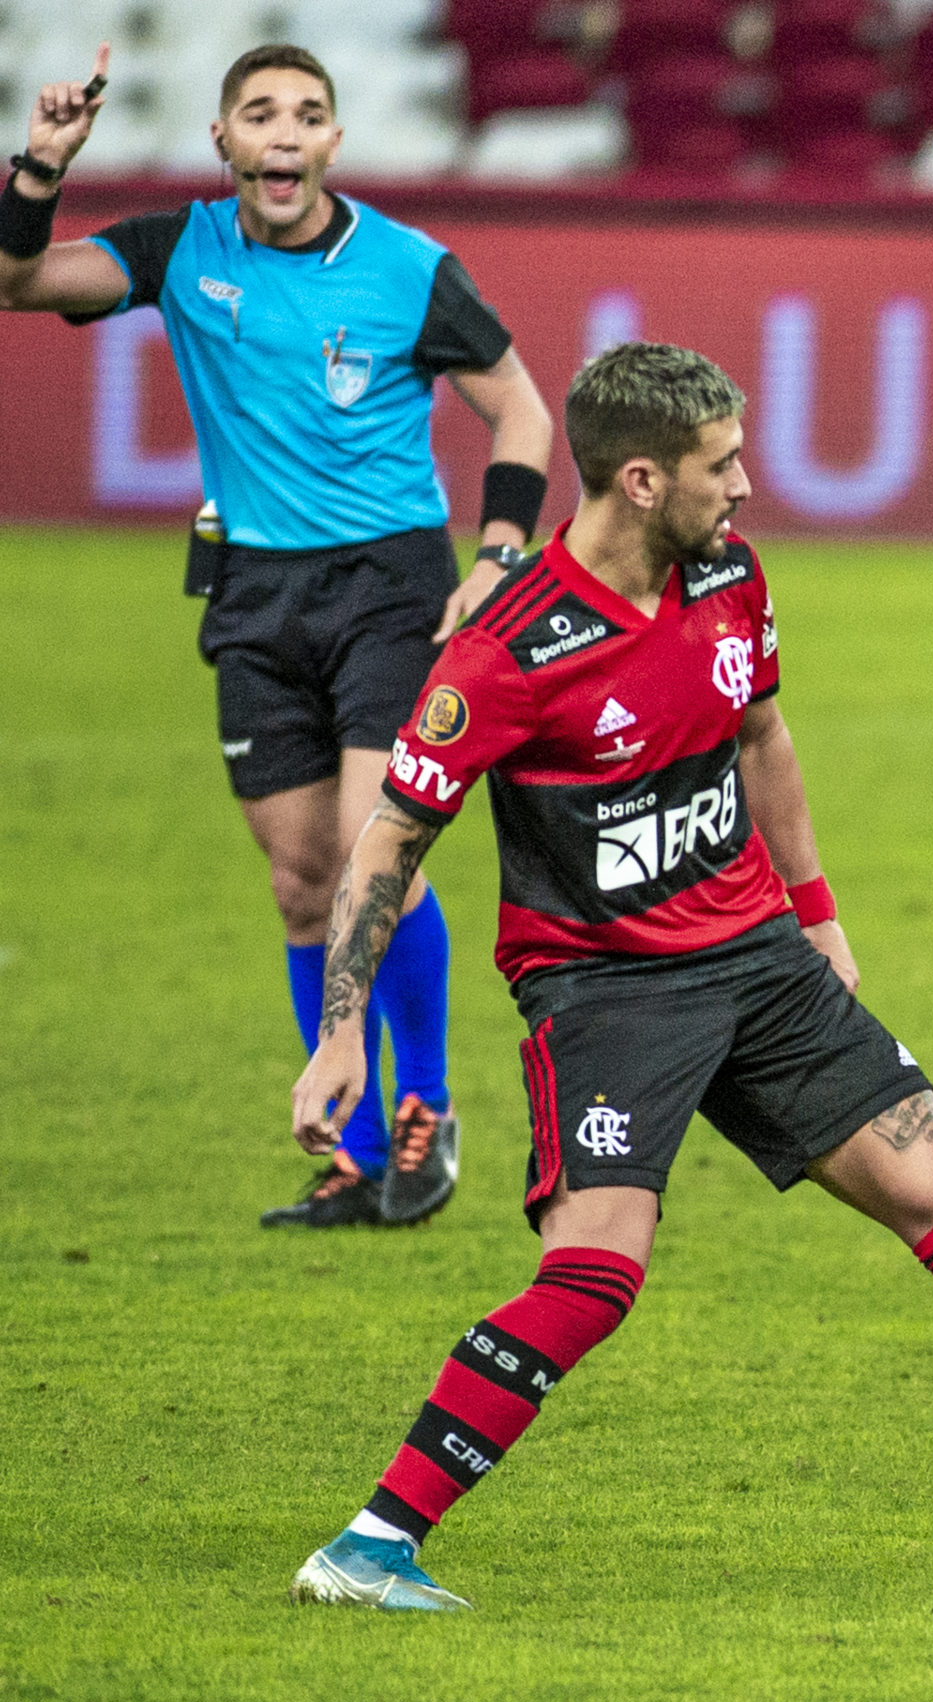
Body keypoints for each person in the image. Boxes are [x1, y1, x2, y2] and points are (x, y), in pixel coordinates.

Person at [284, 343, 933, 1610]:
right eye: (719, 465)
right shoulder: (510, 652)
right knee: (593, 1277)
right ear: (639, 479)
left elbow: (761, 733)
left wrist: (817, 913)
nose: (744, 487)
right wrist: (341, 1030)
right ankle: (367, 1546)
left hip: (757, 960)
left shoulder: (728, 570)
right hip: (607, 989)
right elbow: (392, 838)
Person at [0, 43, 555, 1227]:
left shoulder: (410, 269)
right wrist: (41, 167)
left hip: (392, 587)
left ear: (336, 144)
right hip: (254, 594)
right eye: (261, 114)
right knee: (302, 880)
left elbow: (518, 404)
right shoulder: (180, 253)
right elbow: (20, 283)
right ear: (226, 144)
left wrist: (500, 551)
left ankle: (426, 1107)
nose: (286, 133)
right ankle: (352, 1155)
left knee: (372, 854)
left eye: (309, 113)